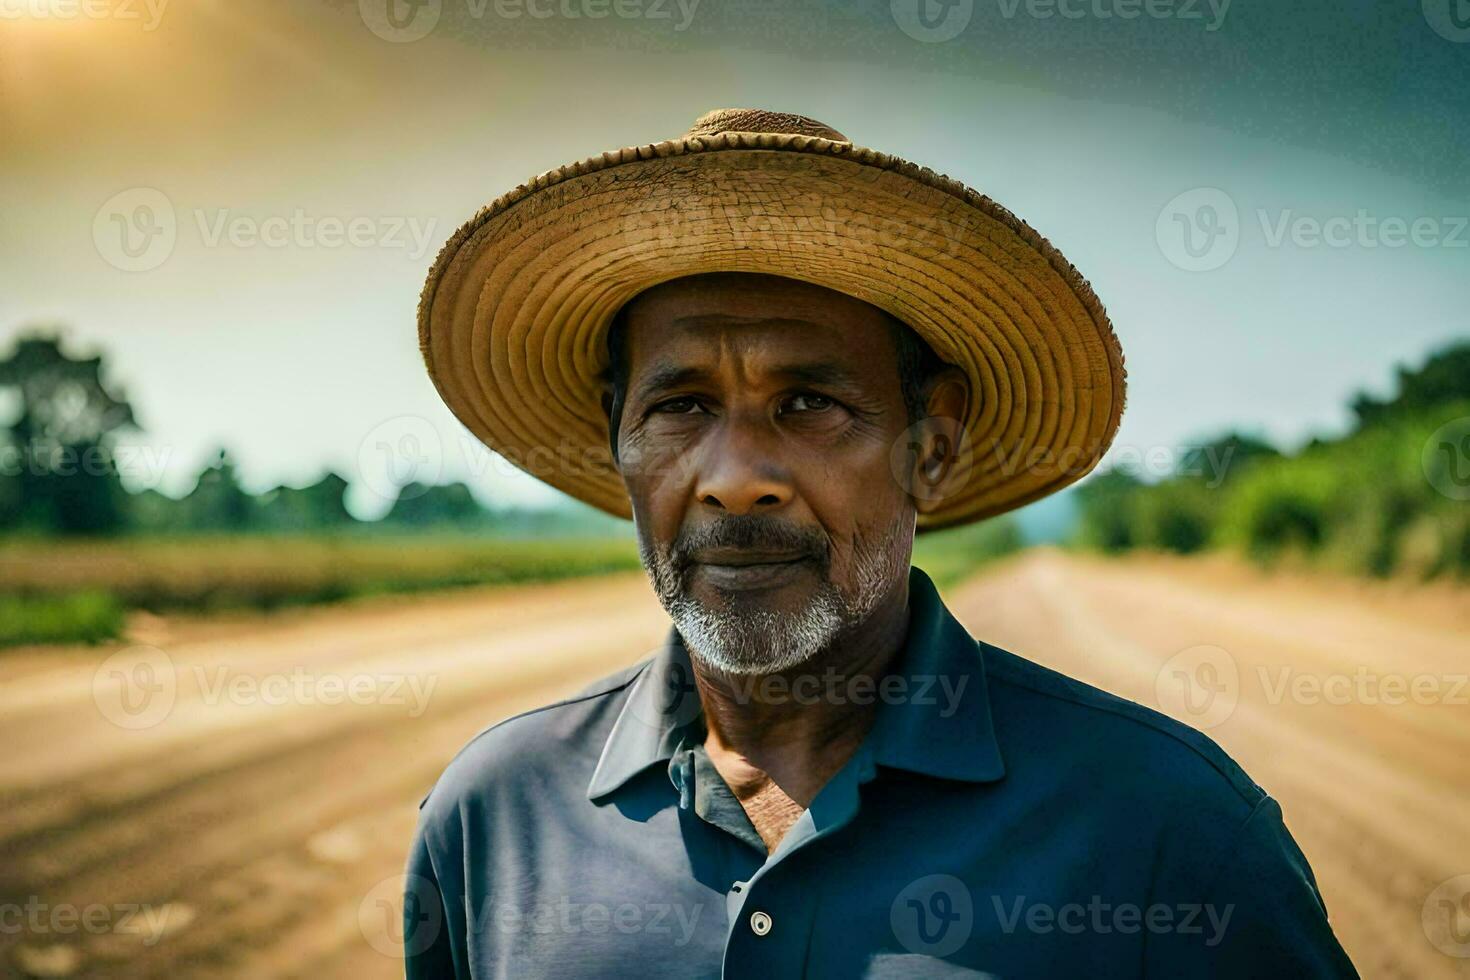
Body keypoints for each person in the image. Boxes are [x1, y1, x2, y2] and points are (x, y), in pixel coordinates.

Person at [403, 108, 1357, 978]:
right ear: (619, 437)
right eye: (681, 405)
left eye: (809, 402)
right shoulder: (491, 817)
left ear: (930, 450)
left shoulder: (1170, 834)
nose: (735, 476)